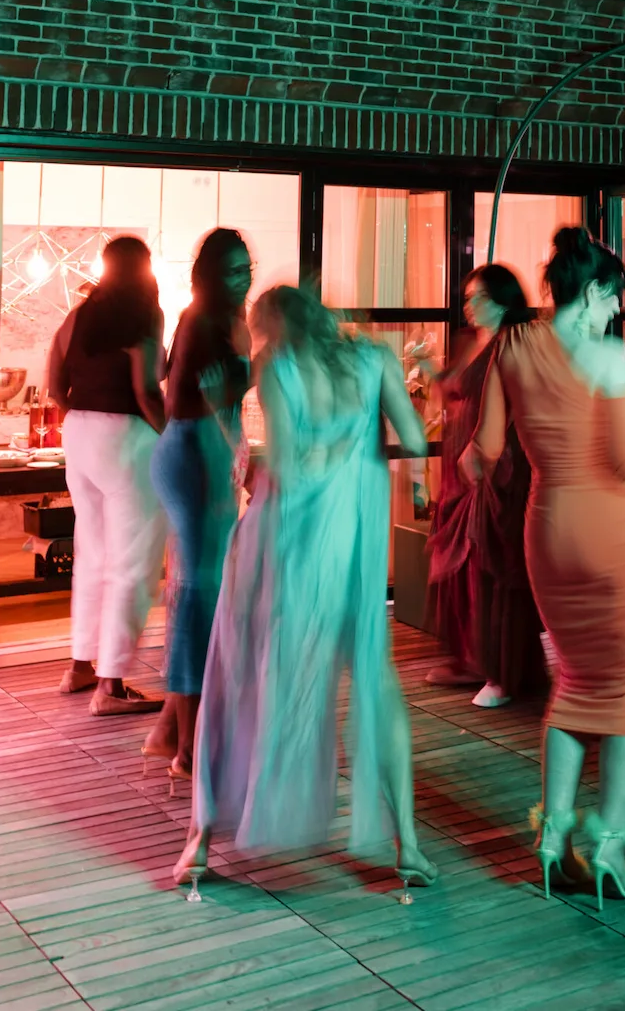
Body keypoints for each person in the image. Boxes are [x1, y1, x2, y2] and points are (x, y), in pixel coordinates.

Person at [175, 284, 437, 893]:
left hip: (285, 546)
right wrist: (359, 444)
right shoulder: (375, 358)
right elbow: (415, 440)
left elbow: (289, 473)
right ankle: (410, 846)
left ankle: (199, 841)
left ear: (273, 329)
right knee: (376, 684)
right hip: (351, 548)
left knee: (233, 674)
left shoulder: (276, 367)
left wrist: (228, 425)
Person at [461, 226, 625, 913]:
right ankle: (608, 847)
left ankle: (553, 840)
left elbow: (483, 450)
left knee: (574, 684)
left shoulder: (512, 345)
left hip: (547, 529)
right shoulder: (612, 358)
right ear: (595, 289)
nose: (615, 314)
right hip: (615, 532)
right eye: (613, 300)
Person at [145, 229, 253, 781]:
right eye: (232, 270)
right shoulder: (201, 320)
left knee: (203, 591)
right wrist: (254, 368)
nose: (243, 278)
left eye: (246, 268)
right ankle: (187, 747)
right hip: (194, 456)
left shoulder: (228, 320)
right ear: (210, 274)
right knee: (197, 596)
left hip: (207, 454)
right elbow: (193, 402)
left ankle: (171, 730)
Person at [47, 235, 167, 716]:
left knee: (92, 554)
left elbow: (54, 383)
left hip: (79, 433)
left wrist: (84, 415)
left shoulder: (79, 315)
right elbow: (146, 391)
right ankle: (111, 685)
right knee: (132, 562)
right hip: (127, 438)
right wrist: (173, 436)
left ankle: (80, 665)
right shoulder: (146, 315)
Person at [425, 264, 544, 709]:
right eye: (469, 298)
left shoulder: (513, 343)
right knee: (469, 570)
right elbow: (455, 391)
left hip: (497, 469)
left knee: (496, 565)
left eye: (478, 298)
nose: (469, 306)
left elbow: (518, 407)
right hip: (464, 469)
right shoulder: (473, 342)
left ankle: (504, 670)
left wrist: (490, 457)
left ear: (502, 301)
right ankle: (475, 658)